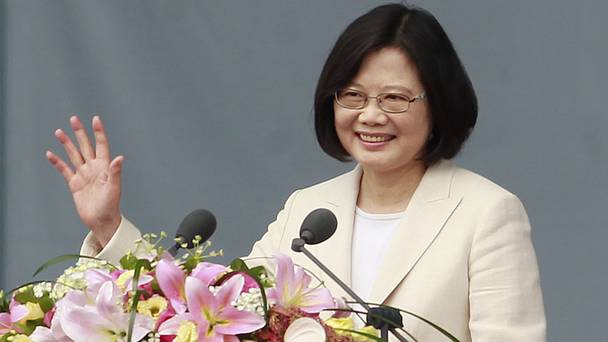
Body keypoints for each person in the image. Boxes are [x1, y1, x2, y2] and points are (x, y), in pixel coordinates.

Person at [46, 3, 546, 341]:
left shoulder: (486, 213)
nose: (370, 116)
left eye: (394, 98)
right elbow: (214, 311)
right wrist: (110, 227)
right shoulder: (308, 210)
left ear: (437, 105)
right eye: (353, 96)